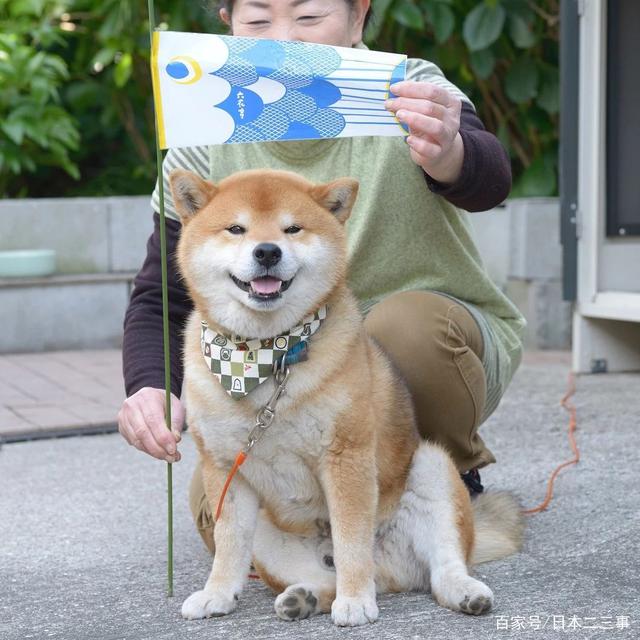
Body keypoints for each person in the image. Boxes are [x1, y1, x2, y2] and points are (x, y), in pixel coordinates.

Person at [118, 0, 526, 555]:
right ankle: (339, 531)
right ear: (228, 26)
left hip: (419, 333)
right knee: (219, 520)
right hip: (272, 364)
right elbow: (159, 295)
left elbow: (491, 181)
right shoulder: (202, 124)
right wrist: (149, 385)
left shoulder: (406, 87)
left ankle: (445, 477)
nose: (285, 40)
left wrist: (449, 152)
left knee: (403, 331)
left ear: (359, 17)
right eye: (258, 21)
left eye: (309, 17)